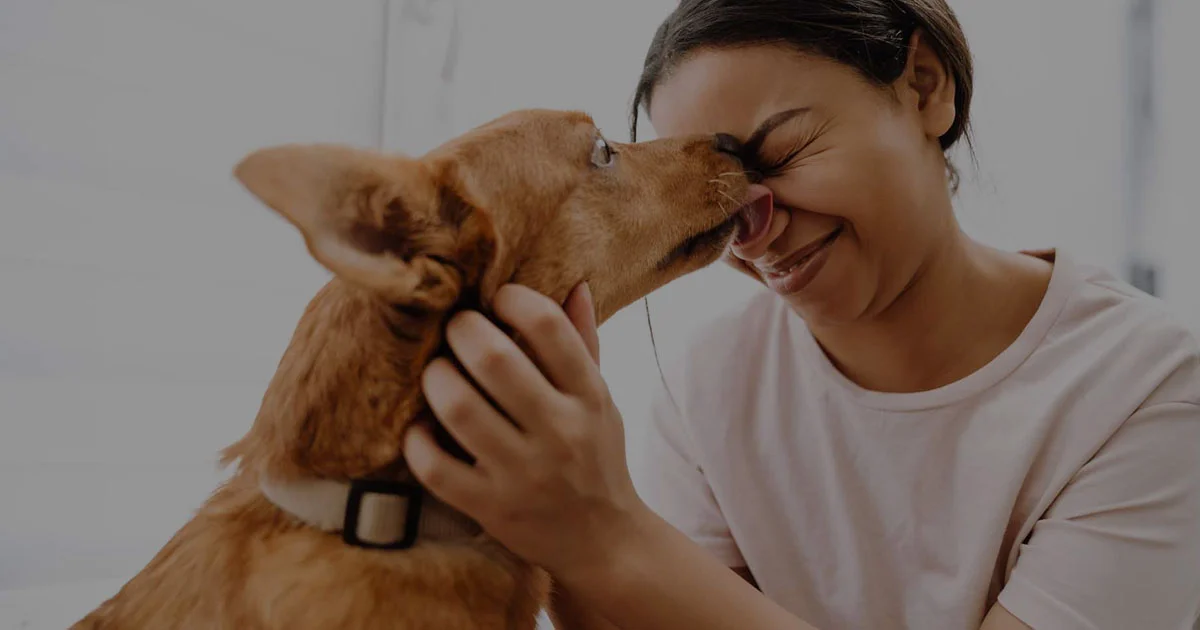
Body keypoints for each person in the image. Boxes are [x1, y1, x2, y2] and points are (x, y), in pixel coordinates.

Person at [402, 1, 1200, 628]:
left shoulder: (1148, 388)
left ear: (925, 85)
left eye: (779, 154)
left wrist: (606, 529)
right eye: (715, 208)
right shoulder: (715, 382)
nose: (753, 233)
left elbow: (629, 558)